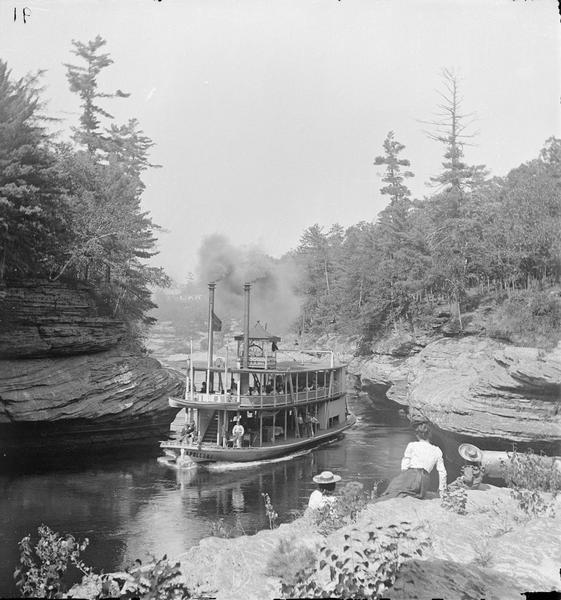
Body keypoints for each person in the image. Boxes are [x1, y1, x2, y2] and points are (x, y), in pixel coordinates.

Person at [378, 421, 447, 501]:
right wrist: (442, 489)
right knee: (402, 491)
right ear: (430, 435)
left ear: (417, 435)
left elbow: (404, 466)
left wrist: (403, 478)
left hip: (412, 474)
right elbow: (442, 472)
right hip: (424, 481)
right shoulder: (437, 450)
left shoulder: (412, 445)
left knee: (392, 490)